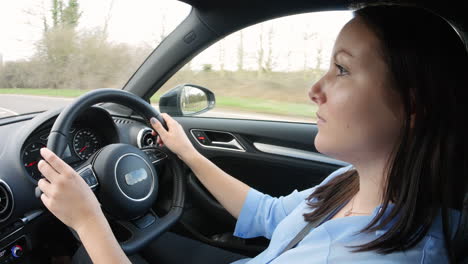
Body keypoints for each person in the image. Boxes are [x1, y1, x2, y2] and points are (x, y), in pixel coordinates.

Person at [36, 4, 467, 264]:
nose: (314, 90)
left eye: (341, 69)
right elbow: (268, 214)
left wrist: (87, 221)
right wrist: (188, 153)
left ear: (413, 107)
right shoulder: (351, 183)